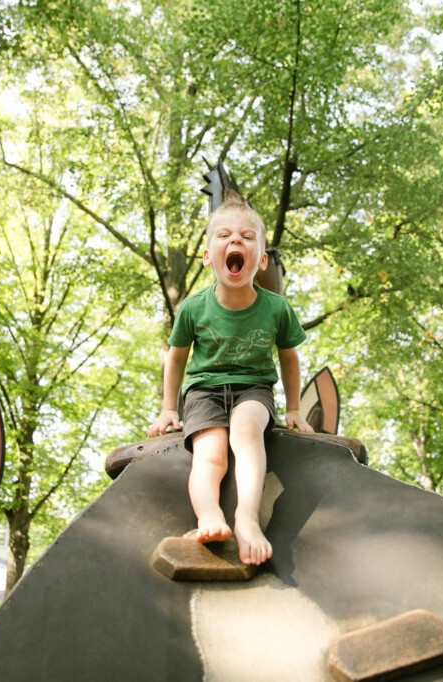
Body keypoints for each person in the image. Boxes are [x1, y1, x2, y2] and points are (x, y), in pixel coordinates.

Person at [148, 189, 313, 566]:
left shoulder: (276, 309)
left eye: (247, 236)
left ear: (261, 261)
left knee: (245, 433)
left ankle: (247, 518)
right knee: (210, 456)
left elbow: (289, 358)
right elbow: (176, 358)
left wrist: (295, 409)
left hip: (254, 388)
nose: (235, 240)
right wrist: (168, 409)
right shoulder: (193, 307)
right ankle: (209, 514)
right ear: (209, 257)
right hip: (203, 391)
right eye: (224, 236)